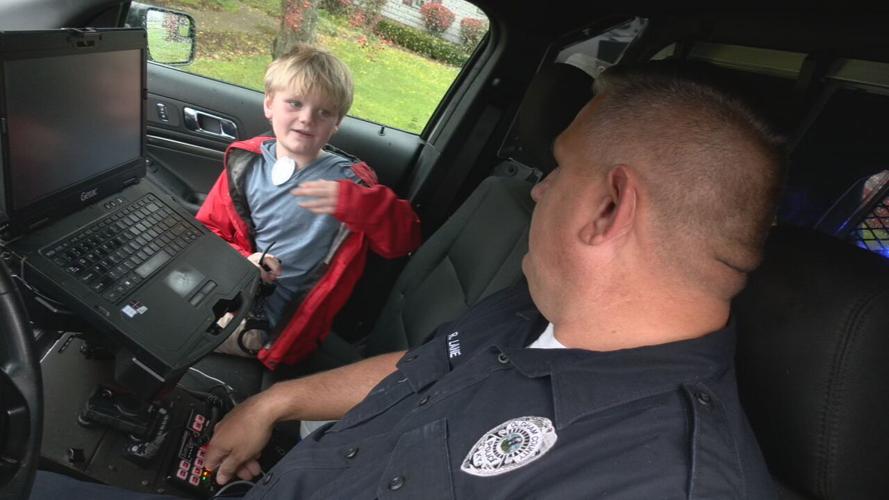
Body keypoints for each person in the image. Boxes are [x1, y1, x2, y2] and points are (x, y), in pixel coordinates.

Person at [30, 60, 782, 499]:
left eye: (556, 172)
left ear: (610, 206)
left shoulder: (655, 480)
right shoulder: (538, 312)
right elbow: (423, 366)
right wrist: (281, 403)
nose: (538, 192)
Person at [195, 43, 421, 367]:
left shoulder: (351, 184)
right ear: (269, 104)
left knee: (166, 333)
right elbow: (209, 230)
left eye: (323, 112)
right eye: (295, 103)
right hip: (235, 294)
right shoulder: (247, 167)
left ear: (337, 122)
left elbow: (405, 240)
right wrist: (246, 260)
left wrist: (358, 205)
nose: (306, 119)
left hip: (283, 331)